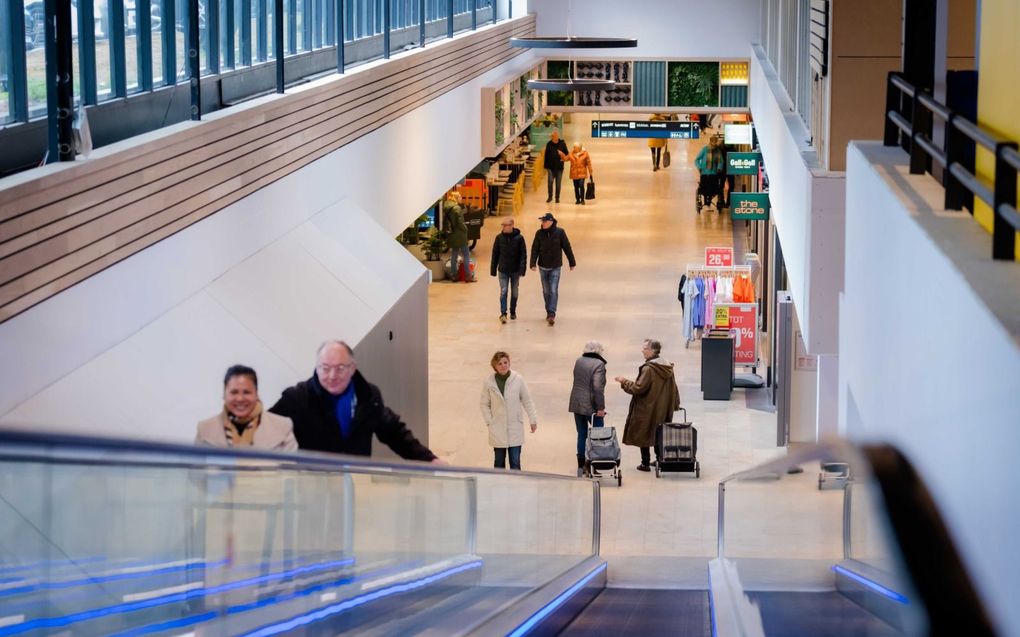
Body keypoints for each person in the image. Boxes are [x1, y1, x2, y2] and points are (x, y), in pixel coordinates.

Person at [270, 341, 440, 462]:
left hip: (354, 485)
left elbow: (393, 432)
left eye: (340, 369)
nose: (332, 376)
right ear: (317, 368)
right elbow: (266, 427)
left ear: (352, 368)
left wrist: (429, 460)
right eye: (325, 368)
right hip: (311, 490)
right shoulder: (298, 398)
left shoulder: (369, 396)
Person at [614, 339, 681, 472]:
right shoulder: (666, 366)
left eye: (645, 348)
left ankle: (645, 463)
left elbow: (638, 388)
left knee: (643, 432)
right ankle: (660, 459)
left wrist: (624, 381)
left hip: (647, 407)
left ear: (652, 351)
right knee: (659, 432)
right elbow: (674, 387)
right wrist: (674, 403)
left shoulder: (649, 369)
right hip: (662, 407)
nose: (642, 350)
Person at [197, 365, 298, 451]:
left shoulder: (282, 427)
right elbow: (195, 472)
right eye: (234, 392)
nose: (240, 398)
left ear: (256, 394)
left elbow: (291, 472)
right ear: (224, 394)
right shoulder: (205, 429)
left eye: (246, 392)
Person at [480, 351, 538, 470]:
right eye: (500, 363)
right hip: (497, 428)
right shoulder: (489, 382)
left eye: (505, 362)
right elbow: (484, 404)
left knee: (515, 463)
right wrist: (489, 421)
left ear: (509, 363)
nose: (503, 365)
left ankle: (516, 487)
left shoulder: (518, 379)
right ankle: (499, 487)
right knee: (499, 463)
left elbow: (527, 400)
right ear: (495, 366)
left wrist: (533, 419)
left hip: (514, 427)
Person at [568, 341, 607, 477]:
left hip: (576, 402)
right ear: (598, 352)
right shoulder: (599, 365)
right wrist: (600, 408)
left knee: (581, 434)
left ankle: (580, 466)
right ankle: (593, 464)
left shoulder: (579, 361)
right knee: (597, 435)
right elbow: (598, 388)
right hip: (592, 406)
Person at [530, 212, 576, 326]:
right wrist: (533, 263)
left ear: (551, 222)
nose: (543, 223)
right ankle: (548, 310)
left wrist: (572, 262)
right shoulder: (539, 233)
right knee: (546, 291)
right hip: (543, 267)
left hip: (555, 266)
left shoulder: (560, 232)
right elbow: (535, 248)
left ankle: (552, 313)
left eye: (545, 221)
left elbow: (567, 247)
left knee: (553, 290)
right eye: (542, 221)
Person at [490, 216, 527, 324]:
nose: (504, 227)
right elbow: (495, 254)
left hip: (515, 270)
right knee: (504, 291)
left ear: (512, 225)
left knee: (514, 292)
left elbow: (523, 255)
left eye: (506, 225)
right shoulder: (499, 238)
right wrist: (493, 269)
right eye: (503, 225)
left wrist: (522, 270)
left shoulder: (519, 238)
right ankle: (503, 313)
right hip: (503, 270)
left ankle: (513, 311)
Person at [444, 192, 473, 282]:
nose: (461, 198)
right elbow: (460, 222)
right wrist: (466, 229)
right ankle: (468, 276)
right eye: (460, 196)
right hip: (460, 234)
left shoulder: (447, 207)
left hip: (452, 233)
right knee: (466, 254)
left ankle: (454, 275)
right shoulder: (456, 208)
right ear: (456, 198)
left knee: (454, 255)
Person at [695, 135, 726, 211]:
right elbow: (697, 159)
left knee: (713, 187)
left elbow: (721, 161)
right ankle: (706, 200)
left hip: (714, 174)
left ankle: (709, 199)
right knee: (704, 187)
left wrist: (719, 168)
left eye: (715, 143)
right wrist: (699, 167)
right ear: (710, 142)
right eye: (713, 143)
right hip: (704, 173)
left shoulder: (717, 151)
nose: (714, 145)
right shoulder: (705, 149)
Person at [543, 130, 569, 203]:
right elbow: (546, 155)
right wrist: (545, 166)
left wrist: (562, 155)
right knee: (550, 181)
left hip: (559, 167)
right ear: (552, 137)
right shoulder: (549, 144)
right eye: (554, 136)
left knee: (558, 183)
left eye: (557, 136)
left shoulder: (562, 144)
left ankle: (557, 197)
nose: (556, 137)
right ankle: (550, 196)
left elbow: (567, 154)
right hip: (550, 167)